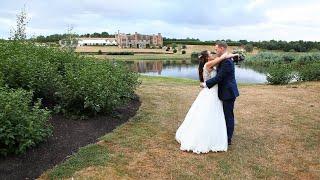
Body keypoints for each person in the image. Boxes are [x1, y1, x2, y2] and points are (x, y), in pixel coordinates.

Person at [175, 49, 238, 154]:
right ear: (207, 57)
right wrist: (228, 55)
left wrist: (235, 54)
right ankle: (205, 136)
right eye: (210, 53)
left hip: (213, 91)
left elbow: (223, 57)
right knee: (208, 113)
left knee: (214, 114)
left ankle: (216, 133)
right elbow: (222, 57)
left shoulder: (210, 62)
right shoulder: (208, 64)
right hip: (211, 92)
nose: (213, 54)